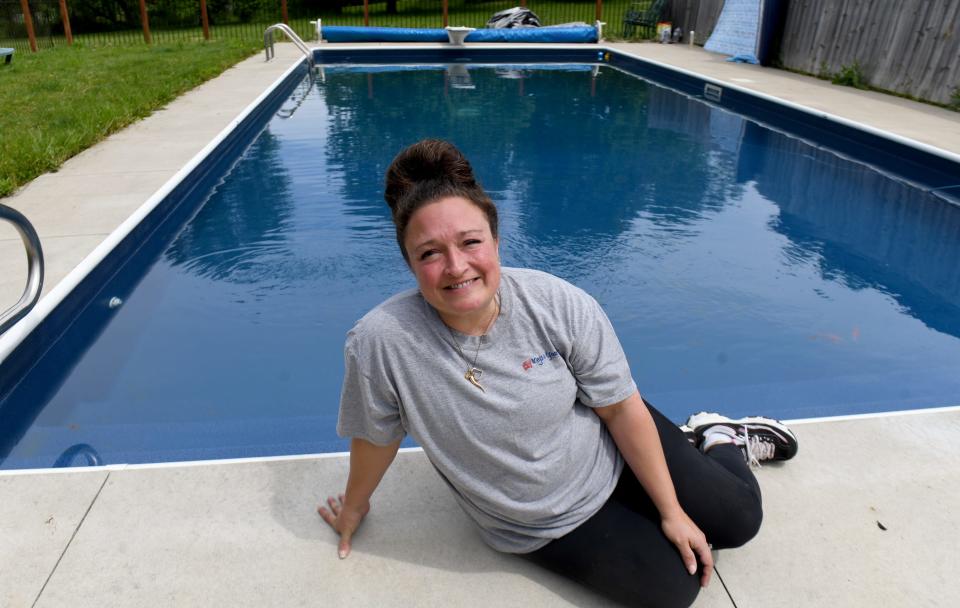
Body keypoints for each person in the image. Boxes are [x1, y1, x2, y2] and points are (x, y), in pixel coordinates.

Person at [318, 139, 798, 608]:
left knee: (739, 520)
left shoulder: (557, 303)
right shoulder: (381, 342)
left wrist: (671, 511)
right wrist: (356, 505)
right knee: (678, 587)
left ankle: (718, 436)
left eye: (470, 242)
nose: (455, 266)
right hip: (538, 521)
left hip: (609, 444)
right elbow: (377, 435)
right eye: (429, 253)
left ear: (496, 241)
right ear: (409, 264)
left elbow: (617, 406)